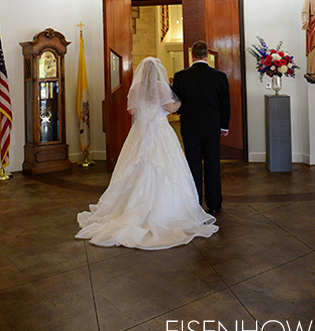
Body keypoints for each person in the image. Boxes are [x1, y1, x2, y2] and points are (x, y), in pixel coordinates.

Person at [75, 57, 218, 250]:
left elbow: (132, 110)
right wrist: (180, 103)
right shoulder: (161, 86)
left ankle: (130, 207)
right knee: (167, 169)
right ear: (157, 71)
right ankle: (167, 211)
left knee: (135, 165)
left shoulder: (136, 87)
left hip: (140, 131)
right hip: (160, 129)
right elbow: (170, 107)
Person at [172, 41, 230, 215]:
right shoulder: (219, 76)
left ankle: (194, 202)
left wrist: (181, 111)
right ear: (207, 55)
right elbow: (225, 104)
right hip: (212, 126)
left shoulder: (180, 76)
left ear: (192, 55)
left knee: (193, 164)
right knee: (213, 163)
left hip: (190, 126)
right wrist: (224, 125)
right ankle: (214, 203)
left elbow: (176, 103)